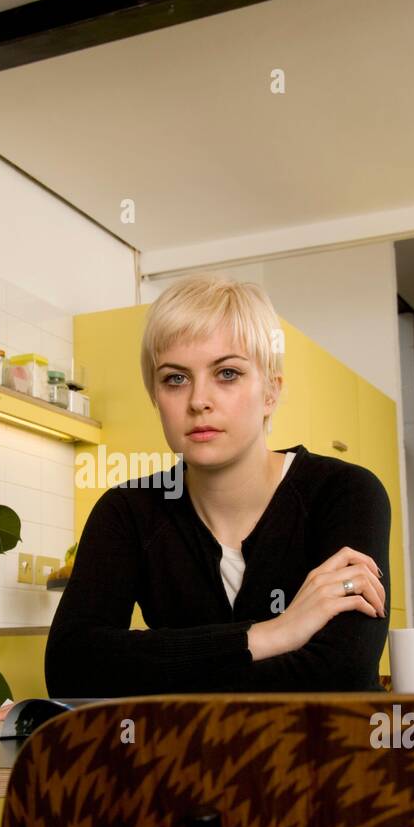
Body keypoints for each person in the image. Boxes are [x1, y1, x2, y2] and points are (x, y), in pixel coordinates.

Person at [39, 273, 390, 698]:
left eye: (227, 373)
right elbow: (71, 666)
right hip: (186, 763)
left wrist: (160, 670)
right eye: (175, 378)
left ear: (270, 393)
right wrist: (274, 634)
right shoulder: (128, 511)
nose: (198, 400)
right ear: (155, 397)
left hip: (326, 759)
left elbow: (339, 675)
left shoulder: (345, 493)